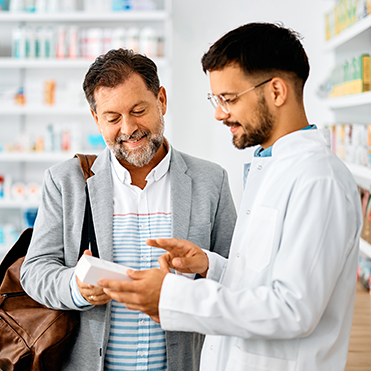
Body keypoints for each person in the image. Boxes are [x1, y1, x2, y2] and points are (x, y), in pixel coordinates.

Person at [98, 23, 363, 371]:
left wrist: (172, 296)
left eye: (229, 98)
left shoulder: (319, 180)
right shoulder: (270, 167)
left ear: (277, 91)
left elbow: (293, 310)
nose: (220, 113)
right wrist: (210, 265)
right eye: (216, 99)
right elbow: (263, 281)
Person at [20, 48, 237, 371]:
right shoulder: (66, 182)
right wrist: (75, 288)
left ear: (161, 100)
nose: (128, 128)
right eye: (112, 118)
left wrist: (204, 267)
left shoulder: (210, 180)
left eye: (138, 110)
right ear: (96, 118)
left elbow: (237, 273)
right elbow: (35, 270)